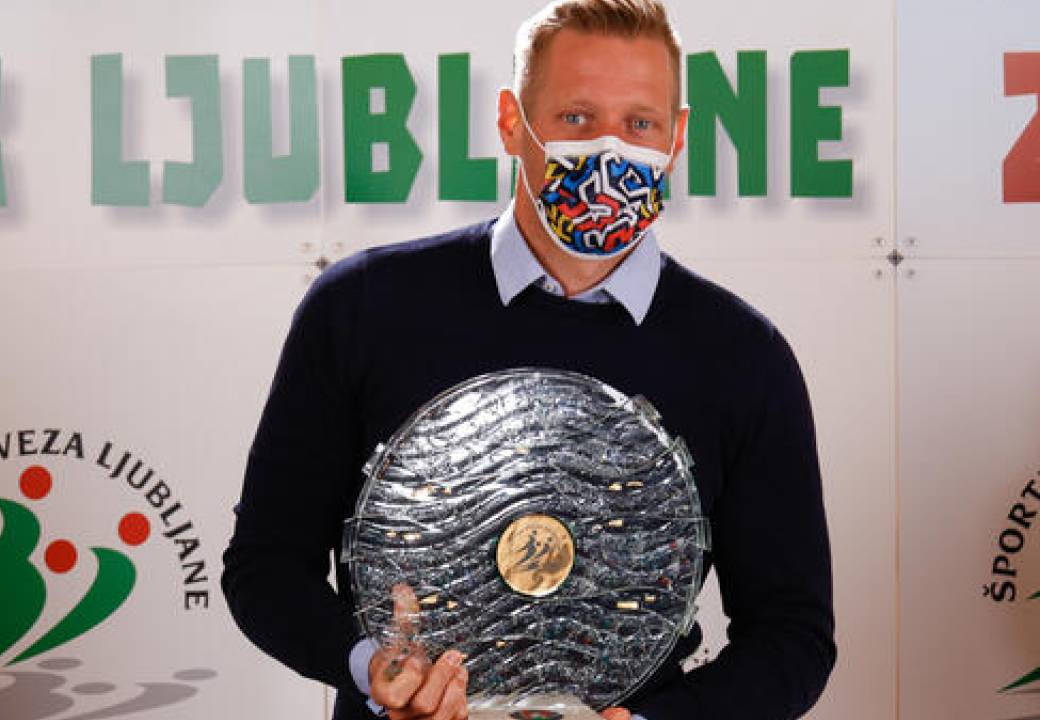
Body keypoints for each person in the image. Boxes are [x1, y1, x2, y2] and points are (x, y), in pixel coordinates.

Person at [222, 1, 836, 718]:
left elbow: (791, 637)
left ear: (677, 137)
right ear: (512, 123)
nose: (611, 150)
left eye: (640, 123)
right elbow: (266, 566)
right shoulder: (361, 307)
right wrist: (372, 667)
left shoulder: (742, 356)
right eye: (577, 117)